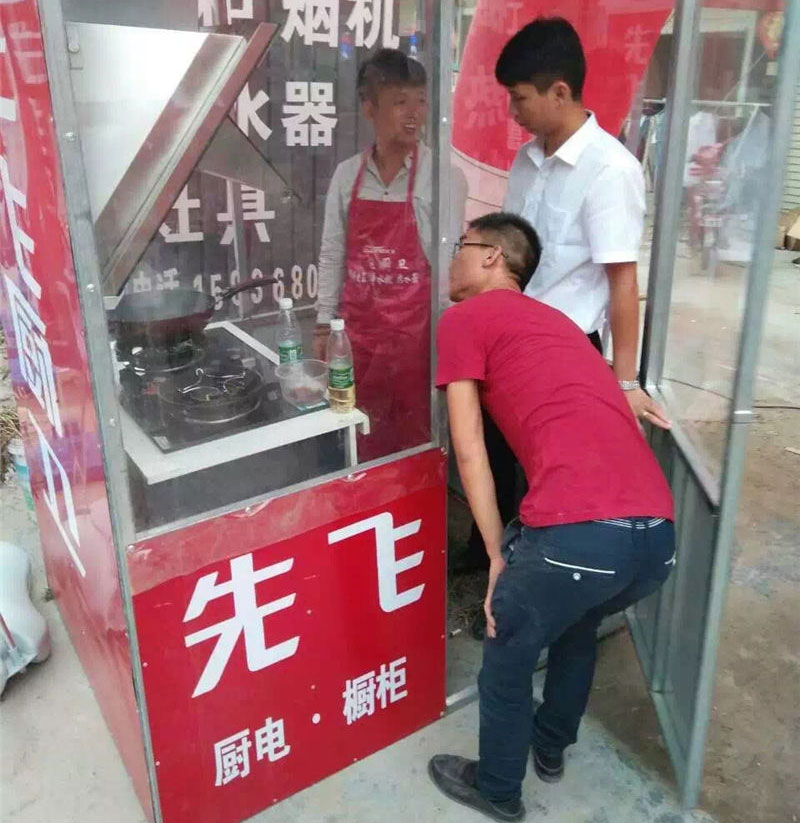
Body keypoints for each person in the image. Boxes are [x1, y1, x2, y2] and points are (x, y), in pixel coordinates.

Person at [428, 212, 675, 822]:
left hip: (579, 532)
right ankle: (550, 745)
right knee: (577, 622)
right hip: (656, 537)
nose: (452, 258)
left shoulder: (465, 318)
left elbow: (469, 449)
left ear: (491, 257)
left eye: (460, 246)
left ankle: (498, 788)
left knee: (507, 649)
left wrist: (495, 555)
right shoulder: (559, 324)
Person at [458, 16, 670, 578]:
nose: (513, 111)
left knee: (545, 473)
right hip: (508, 337)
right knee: (495, 453)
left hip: (564, 351)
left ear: (559, 91)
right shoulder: (527, 161)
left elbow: (622, 281)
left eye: (520, 98)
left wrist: (625, 383)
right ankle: (485, 557)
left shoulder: (610, 170)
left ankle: (531, 581)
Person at [314, 48, 464, 462]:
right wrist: (324, 326)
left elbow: (451, 266)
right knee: (357, 433)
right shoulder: (347, 175)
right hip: (358, 338)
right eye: (400, 102)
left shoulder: (443, 177)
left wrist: (449, 341)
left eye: (421, 101)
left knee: (416, 439)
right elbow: (332, 253)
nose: (414, 114)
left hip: (418, 342)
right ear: (369, 109)